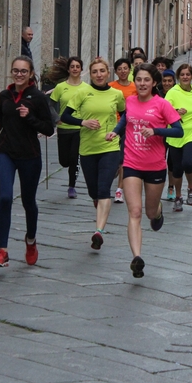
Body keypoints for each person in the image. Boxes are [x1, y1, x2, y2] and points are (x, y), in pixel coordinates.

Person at [106, 64, 183, 278]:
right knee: (135, 212)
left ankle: (157, 211)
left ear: (154, 83)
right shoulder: (129, 101)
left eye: (146, 80)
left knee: (149, 212)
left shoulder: (162, 105)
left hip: (155, 166)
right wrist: (115, 132)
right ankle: (137, 258)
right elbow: (125, 119)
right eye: (138, 79)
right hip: (131, 163)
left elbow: (178, 130)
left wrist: (156, 131)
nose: (141, 83)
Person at [0, 56, 55, 268]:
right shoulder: (4, 95)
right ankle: (2, 250)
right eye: (15, 71)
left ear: (31, 74)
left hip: (29, 155)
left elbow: (48, 128)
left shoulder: (37, 97)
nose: (19, 74)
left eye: (23, 71)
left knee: (28, 202)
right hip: (6, 151)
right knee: (5, 197)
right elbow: (1, 117)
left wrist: (29, 118)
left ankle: (31, 240)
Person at [61, 58, 126, 251]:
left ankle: (99, 231)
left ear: (108, 73)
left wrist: (116, 131)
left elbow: (125, 116)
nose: (99, 75)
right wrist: (83, 122)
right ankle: (98, 206)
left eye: (102, 71)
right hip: (88, 149)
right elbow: (65, 116)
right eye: (95, 72)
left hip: (110, 147)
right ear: (90, 74)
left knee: (104, 189)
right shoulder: (82, 92)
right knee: (93, 192)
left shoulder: (117, 94)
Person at [165, 64, 192, 212]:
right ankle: (178, 196)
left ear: (191, 76)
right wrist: (176, 112)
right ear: (178, 77)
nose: (185, 77)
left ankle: (191, 187)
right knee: (176, 169)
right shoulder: (172, 93)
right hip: (175, 134)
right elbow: (164, 111)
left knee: (187, 163)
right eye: (182, 74)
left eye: (187, 74)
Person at [48, 57, 89, 198]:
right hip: (64, 128)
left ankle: (72, 187)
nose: (75, 69)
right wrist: (56, 118)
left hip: (79, 128)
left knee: (73, 158)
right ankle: (69, 173)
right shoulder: (60, 87)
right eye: (72, 66)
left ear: (81, 69)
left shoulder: (86, 88)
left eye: (78, 66)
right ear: (68, 69)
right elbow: (50, 105)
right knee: (64, 161)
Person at [108, 58, 137, 204]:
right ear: (115, 71)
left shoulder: (135, 87)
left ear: (129, 69)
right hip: (112, 126)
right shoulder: (110, 86)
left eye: (125, 68)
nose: (123, 71)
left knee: (123, 159)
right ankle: (113, 175)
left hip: (129, 126)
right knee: (113, 158)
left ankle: (119, 190)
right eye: (119, 69)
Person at [160, 69, 177, 200]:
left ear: (173, 82)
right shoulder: (157, 94)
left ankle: (171, 186)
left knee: (171, 162)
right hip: (159, 132)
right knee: (160, 160)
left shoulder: (178, 94)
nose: (167, 83)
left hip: (172, 132)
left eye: (169, 81)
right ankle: (158, 185)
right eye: (164, 81)